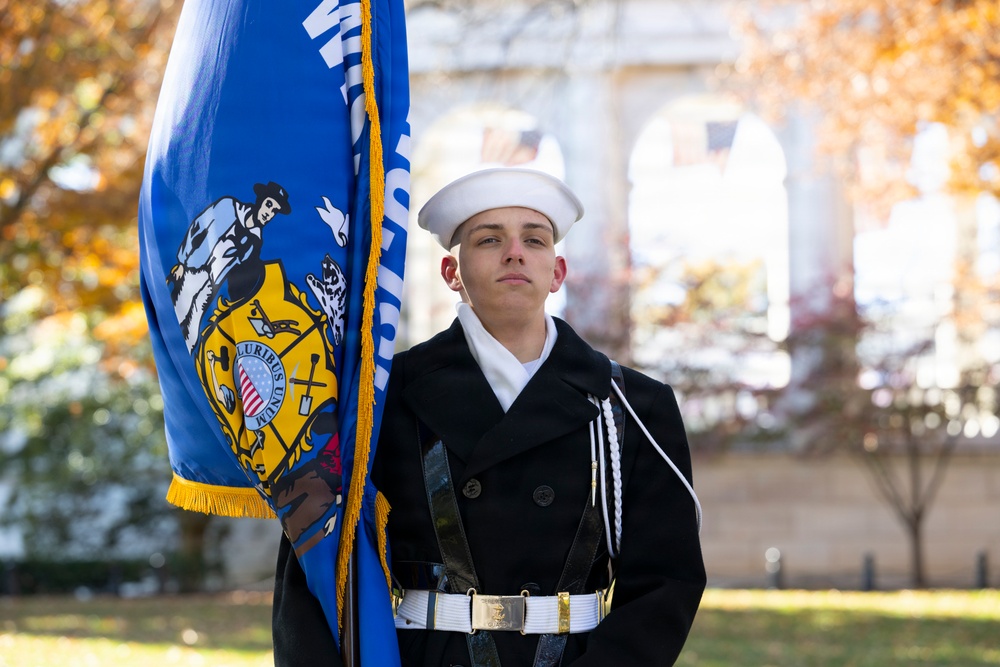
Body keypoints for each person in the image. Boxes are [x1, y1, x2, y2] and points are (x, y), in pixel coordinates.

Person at [272, 168, 705, 666]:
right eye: (489, 239)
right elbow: (316, 560)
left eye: (534, 240)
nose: (515, 252)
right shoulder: (378, 400)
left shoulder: (631, 406)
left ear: (557, 272)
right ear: (451, 273)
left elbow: (667, 582)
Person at [168, 181, 292, 352]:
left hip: (212, 284)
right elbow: (197, 228)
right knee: (178, 313)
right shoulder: (228, 207)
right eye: (268, 205)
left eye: (274, 211)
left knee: (194, 326)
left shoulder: (255, 241)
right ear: (261, 200)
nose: (269, 213)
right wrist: (182, 262)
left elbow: (240, 272)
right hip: (194, 269)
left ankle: (189, 354)